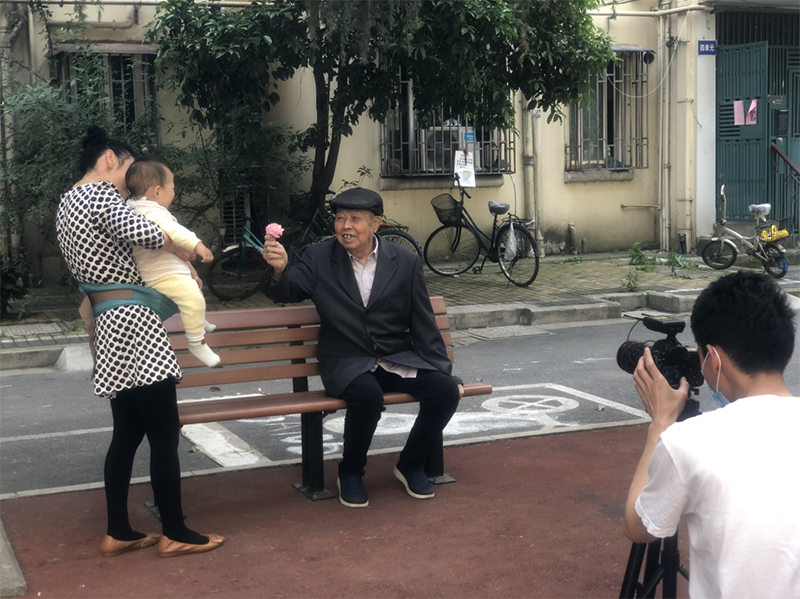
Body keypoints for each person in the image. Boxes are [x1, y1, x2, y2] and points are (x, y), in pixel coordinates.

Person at [57, 126, 224, 558]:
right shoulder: (99, 196)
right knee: (164, 432)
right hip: (135, 322)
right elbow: (150, 233)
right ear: (110, 159)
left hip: (109, 322)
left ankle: (118, 530)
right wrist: (187, 252)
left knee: (128, 432)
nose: (132, 184)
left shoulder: (66, 202)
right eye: (129, 170)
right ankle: (175, 531)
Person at [261, 188, 464, 508]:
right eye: (340, 218)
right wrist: (279, 270)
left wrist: (442, 369)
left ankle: (410, 464)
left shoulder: (405, 261)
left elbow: (422, 320)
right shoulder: (318, 256)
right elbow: (288, 290)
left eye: (355, 218)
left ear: (376, 223)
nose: (346, 226)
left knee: (445, 391)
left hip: (395, 357)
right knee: (367, 396)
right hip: (346, 359)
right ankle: (351, 471)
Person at [624, 270, 800, 598]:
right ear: (786, 355)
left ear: (714, 360)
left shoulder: (689, 442)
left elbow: (638, 527)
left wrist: (660, 424)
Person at [126, 157, 220, 367]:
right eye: (173, 188)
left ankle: (197, 320)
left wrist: (190, 269)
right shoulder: (150, 212)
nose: (174, 193)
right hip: (161, 274)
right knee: (192, 298)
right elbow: (176, 232)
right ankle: (197, 343)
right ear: (157, 191)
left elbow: (171, 246)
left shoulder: (139, 209)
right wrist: (198, 244)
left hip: (166, 270)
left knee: (193, 294)